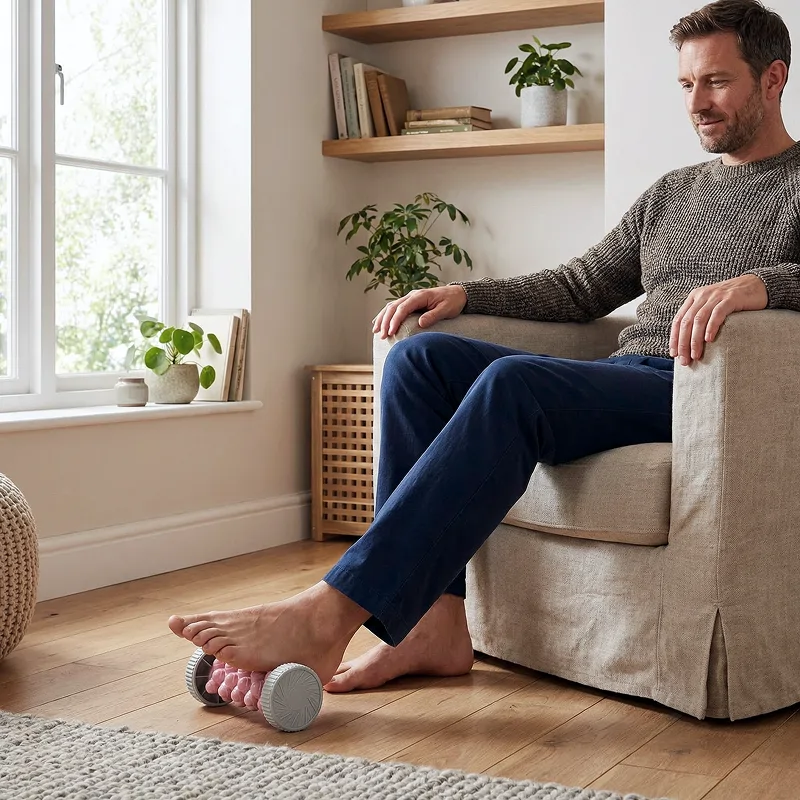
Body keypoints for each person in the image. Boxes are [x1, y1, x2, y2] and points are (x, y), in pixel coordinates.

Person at [168, 0, 799, 693]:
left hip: (701, 389)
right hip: (628, 376)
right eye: (686, 85)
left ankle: (327, 614)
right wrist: (467, 295)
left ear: (773, 79)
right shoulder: (673, 193)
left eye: (717, 82)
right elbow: (580, 286)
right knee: (421, 358)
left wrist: (764, 284)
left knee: (513, 383)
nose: (697, 104)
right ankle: (432, 625)